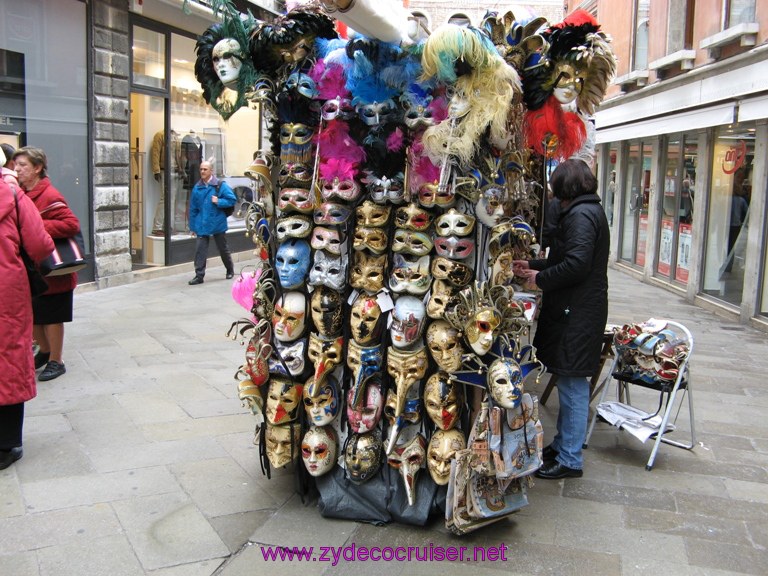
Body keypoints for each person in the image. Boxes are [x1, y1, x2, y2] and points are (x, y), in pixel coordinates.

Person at [513, 159, 609, 480]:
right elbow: (564, 258)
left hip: (578, 311)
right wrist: (531, 263)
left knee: (571, 383)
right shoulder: (585, 211)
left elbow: (576, 265)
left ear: (565, 187)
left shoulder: (581, 215)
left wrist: (538, 279)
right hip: (578, 308)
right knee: (569, 380)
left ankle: (570, 459)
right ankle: (564, 443)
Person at [0, 178, 55, 469]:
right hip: (6, 290)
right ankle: (5, 444)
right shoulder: (11, 194)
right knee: (7, 357)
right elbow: (39, 243)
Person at [13, 146, 81, 382]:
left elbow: (72, 224)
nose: (18, 169)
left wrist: (37, 228)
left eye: (23, 165)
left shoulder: (49, 194)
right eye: (16, 165)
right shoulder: (21, 192)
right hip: (35, 269)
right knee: (35, 315)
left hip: (54, 269)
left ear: (37, 168)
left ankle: (56, 360)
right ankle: (44, 352)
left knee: (52, 316)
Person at [188, 160, 236, 285]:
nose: (202, 171)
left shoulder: (220, 185)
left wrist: (219, 201)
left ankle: (230, 269)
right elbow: (193, 209)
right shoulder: (197, 187)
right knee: (200, 250)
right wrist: (192, 227)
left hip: (217, 222)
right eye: (201, 169)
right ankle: (199, 276)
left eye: (205, 169)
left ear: (211, 171)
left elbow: (232, 200)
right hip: (202, 224)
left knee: (222, 249)